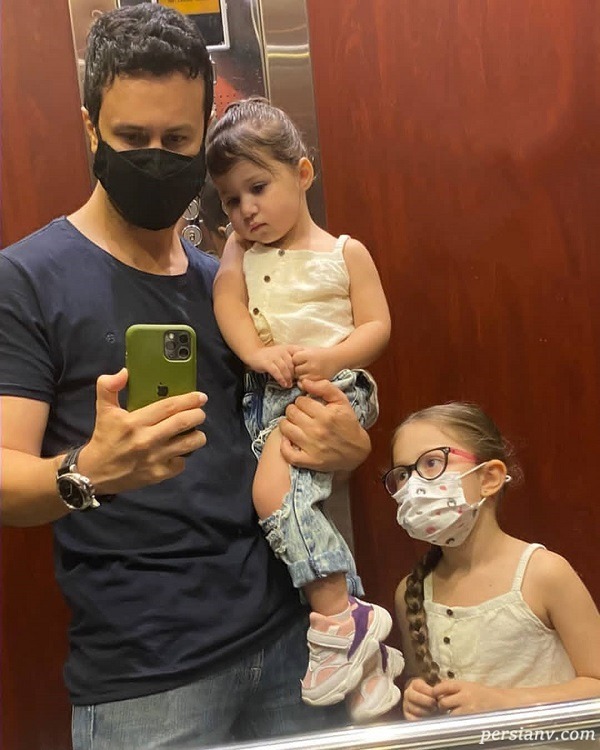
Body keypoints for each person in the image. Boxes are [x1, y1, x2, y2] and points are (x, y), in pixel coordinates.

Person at [0, 6, 373, 749]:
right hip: (148, 676)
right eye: (131, 137)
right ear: (91, 128)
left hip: (291, 641)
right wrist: (88, 471)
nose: (155, 156)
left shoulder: (230, 285)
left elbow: (286, 425)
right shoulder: (27, 279)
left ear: (205, 133)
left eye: (177, 140)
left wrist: (347, 446)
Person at [206, 98, 403, 723]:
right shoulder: (239, 251)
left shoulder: (344, 251)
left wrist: (330, 356)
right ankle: (367, 661)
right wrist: (256, 354)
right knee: (302, 510)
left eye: (258, 188)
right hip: (271, 391)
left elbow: (377, 325)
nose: (246, 210)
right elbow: (228, 304)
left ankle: (338, 619)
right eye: (231, 200)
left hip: (332, 387)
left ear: (303, 173)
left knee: (273, 495)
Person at [382, 402, 600, 720]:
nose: (413, 486)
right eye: (403, 474)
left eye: (431, 463)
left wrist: (501, 701)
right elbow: (422, 678)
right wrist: (417, 693)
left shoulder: (544, 573)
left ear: (489, 477)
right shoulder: (411, 592)